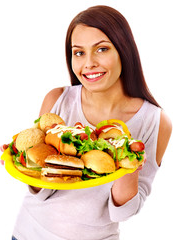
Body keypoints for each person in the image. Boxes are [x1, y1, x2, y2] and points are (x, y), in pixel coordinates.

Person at [11, 5, 172, 240]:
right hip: (29, 233)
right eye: (79, 52)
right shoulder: (58, 100)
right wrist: (26, 160)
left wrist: (129, 165)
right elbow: (40, 191)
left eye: (102, 49)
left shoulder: (154, 121)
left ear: (123, 51)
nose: (89, 63)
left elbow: (123, 213)